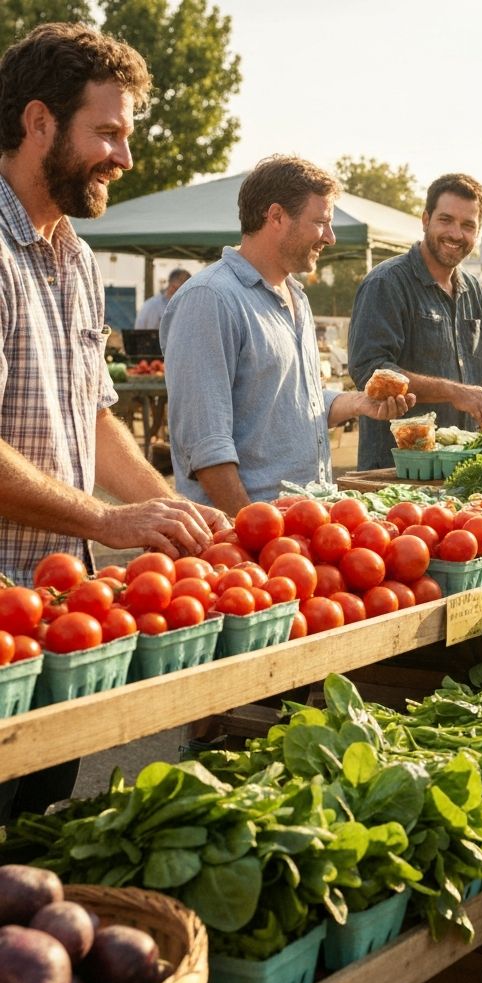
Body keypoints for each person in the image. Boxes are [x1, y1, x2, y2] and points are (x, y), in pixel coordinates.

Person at [0, 22, 228, 822]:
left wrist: (171, 509)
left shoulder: (76, 259)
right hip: (6, 624)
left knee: (34, 845)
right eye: (107, 133)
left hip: (62, 624)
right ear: (38, 122)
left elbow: (92, 418)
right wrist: (105, 519)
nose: (124, 157)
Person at [162, 156, 415, 514]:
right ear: (277, 216)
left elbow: (296, 403)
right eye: (321, 223)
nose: (330, 237)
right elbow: (206, 445)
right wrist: (251, 531)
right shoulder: (210, 298)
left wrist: (358, 403)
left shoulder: (296, 296)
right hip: (249, 531)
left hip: (303, 524)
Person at [347, 172, 482, 470]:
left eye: (468, 225)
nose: (456, 234)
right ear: (425, 220)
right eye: (446, 220)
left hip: (462, 466)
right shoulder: (386, 283)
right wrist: (454, 392)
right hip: (397, 471)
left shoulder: (472, 289)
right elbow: (370, 369)